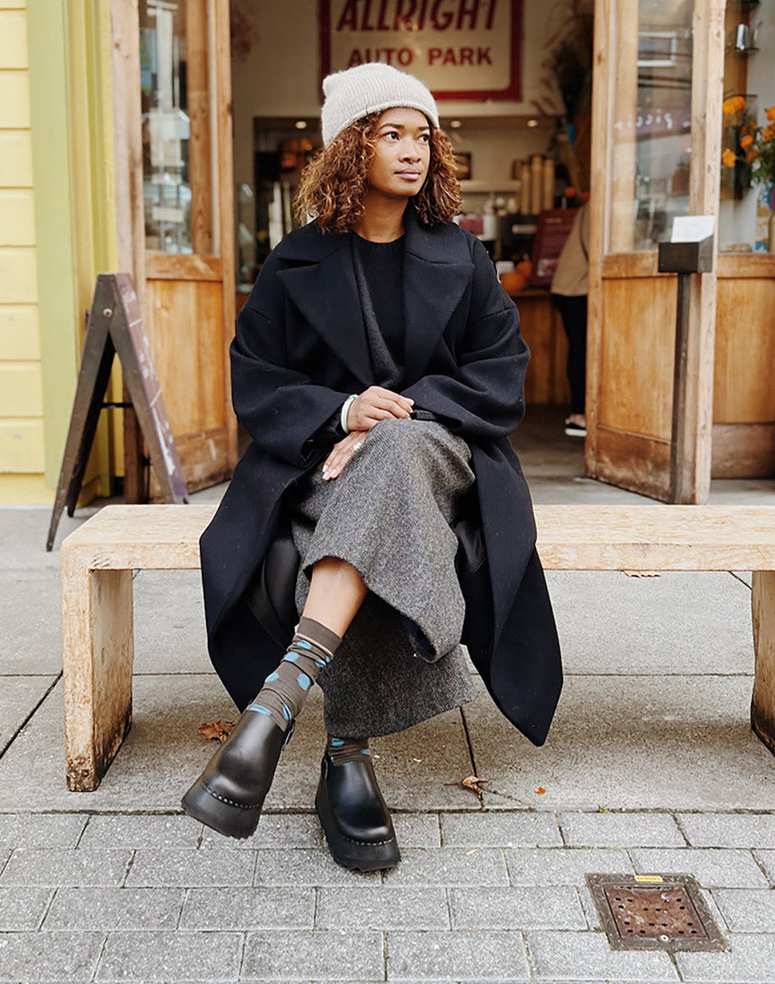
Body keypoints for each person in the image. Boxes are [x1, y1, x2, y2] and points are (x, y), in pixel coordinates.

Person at [182, 63, 562, 871]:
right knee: (375, 519)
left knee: (394, 457)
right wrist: (341, 413)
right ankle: (344, 755)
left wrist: (394, 418)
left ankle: (282, 698)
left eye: (422, 135)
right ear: (352, 147)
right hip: (325, 466)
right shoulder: (293, 263)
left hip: (447, 455)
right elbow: (255, 379)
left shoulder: (464, 257)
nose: (413, 150)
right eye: (391, 133)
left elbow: (501, 373)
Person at [550, 200, 590, 438]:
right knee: (582, 351)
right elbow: (597, 249)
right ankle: (578, 415)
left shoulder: (591, 207)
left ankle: (580, 413)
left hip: (573, 287)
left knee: (581, 350)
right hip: (576, 289)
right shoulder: (599, 206)